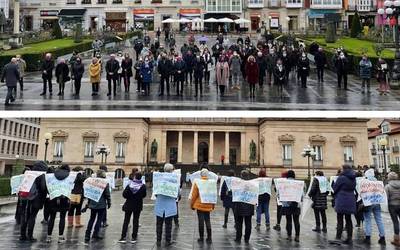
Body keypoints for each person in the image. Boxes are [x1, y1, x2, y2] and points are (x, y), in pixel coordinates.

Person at [19, 161, 48, 242]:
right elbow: (43, 188)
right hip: (36, 198)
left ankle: (22, 235)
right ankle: (30, 236)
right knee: (32, 216)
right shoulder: (42, 175)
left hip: (25, 197)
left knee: (25, 215)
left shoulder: (29, 173)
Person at [83, 169, 111, 243]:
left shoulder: (92, 182)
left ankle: (87, 235)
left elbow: (89, 193)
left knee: (91, 219)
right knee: (99, 219)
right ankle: (95, 234)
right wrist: (109, 202)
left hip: (93, 203)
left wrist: (88, 204)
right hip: (101, 204)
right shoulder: (105, 182)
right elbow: (107, 194)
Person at [119, 172, 147, 243]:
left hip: (129, 205)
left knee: (126, 221)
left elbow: (124, 195)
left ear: (135, 177)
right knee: (136, 221)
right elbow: (144, 195)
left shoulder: (130, 185)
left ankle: (123, 237)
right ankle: (134, 238)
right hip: (138, 205)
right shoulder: (143, 186)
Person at [46, 165, 71, 243]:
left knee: (52, 217)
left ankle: (49, 237)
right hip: (64, 198)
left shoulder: (53, 175)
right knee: (62, 218)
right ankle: (60, 237)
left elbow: (48, 185)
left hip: (53, 197)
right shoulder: (69, 176)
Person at [155, 163, 178, 247]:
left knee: (159, 224)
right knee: (168, 224)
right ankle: (167, 241)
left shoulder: (158, 179)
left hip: (160, 204)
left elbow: (155, 193)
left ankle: (158, 240)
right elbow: (177, 194)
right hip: (170, 205)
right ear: (171, 171)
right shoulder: (175, 180)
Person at [333, 164, 356, 244]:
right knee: (348, 219)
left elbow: (335, 188)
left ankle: (338, 238)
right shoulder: (353, 178)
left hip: (342, 199)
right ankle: (349, 238)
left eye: (342, 169)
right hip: (351, 198)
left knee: (340, 219)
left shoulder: (341, 178)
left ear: (344, 169)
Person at [190, 168, 215, 244]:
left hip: (199, 205)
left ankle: (201, 238)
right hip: (208, 204)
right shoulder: (212, 183)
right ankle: (209, 237)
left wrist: (192, 205)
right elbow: (213, 195)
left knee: (200, 221)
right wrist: (212, 205)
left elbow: (194, 195)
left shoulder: (197, 182)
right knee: (207, 220)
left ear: (201, 175)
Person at [362, 169, 386, 245]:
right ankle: (382, 237)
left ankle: (368, 237)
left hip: (368, 203)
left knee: (367, 219)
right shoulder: (377, 182)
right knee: (379, 219)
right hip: (377, 202)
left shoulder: (365, 183)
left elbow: (362, 193)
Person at [234, 170, 254, 244]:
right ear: (248, 176)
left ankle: (238, 238)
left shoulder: (237, 184)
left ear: (241, 176)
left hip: (239, 206)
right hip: (249, 206)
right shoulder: (252, 184)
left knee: (239, 223)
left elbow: (233, 193)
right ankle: (247, 238)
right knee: (248, 223)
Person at [282, 170, 302, 242]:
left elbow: (280, 194)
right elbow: (302, 195)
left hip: (287, 205)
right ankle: (297, 236)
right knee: (296, 221)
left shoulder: (283, 183)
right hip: (296, 204)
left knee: (289, 220)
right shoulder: (299, 183)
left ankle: (289, 236)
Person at [386, 171, 400, 246]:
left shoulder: (388, 186)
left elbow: (386, 198)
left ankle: (397, 240)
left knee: (395, 222)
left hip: (392, 205)